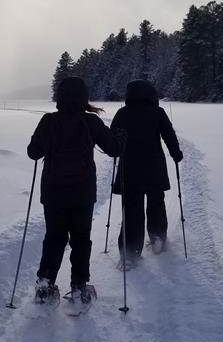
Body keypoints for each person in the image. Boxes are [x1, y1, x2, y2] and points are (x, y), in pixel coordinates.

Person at [27, 76, 124, 305]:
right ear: (84, 97)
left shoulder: (48, 121)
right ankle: (79, 288)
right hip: (82, 192)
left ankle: (45, 285)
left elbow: (33, 153)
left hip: (53, 192)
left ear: (60, 97)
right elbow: (114, 149)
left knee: (54, 238)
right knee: (81, 240)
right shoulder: (91, 122)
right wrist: (121, 137)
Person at [111, 79, 182, 263]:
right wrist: (176, 154)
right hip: (154, 168)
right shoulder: (158, 112)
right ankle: (158, 238)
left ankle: (129, 252)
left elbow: (112, 139)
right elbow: (169, 135)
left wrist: (116, 149)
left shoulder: (122, 113)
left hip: (130, 169)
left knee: (132, 209)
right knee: (156, 203)